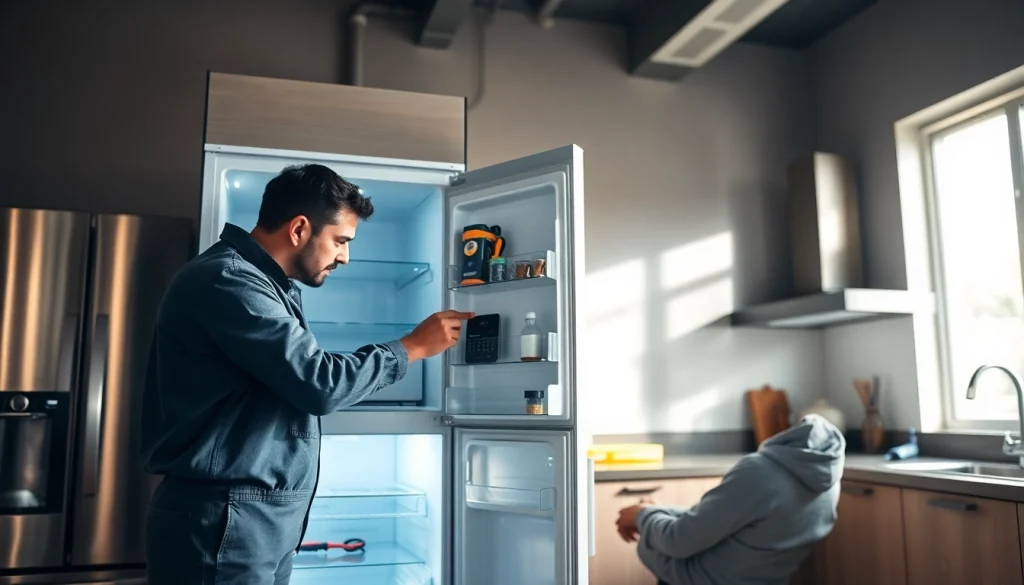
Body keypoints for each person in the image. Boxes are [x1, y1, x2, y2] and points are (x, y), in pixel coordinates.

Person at [140, 163, 471, 585]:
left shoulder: (266, 285)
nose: (345, 257)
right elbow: (319, 383)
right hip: (225, 519)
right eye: (340, 241)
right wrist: (413, 346)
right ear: (299, 229)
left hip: (255, 521)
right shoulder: (228, 281)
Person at [615, 414, 845, 585]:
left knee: (658, 542)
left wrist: (642, 516)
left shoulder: (759, 470)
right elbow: (730, 521)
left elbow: (679, 541)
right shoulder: (829, 482)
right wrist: (658, 511)